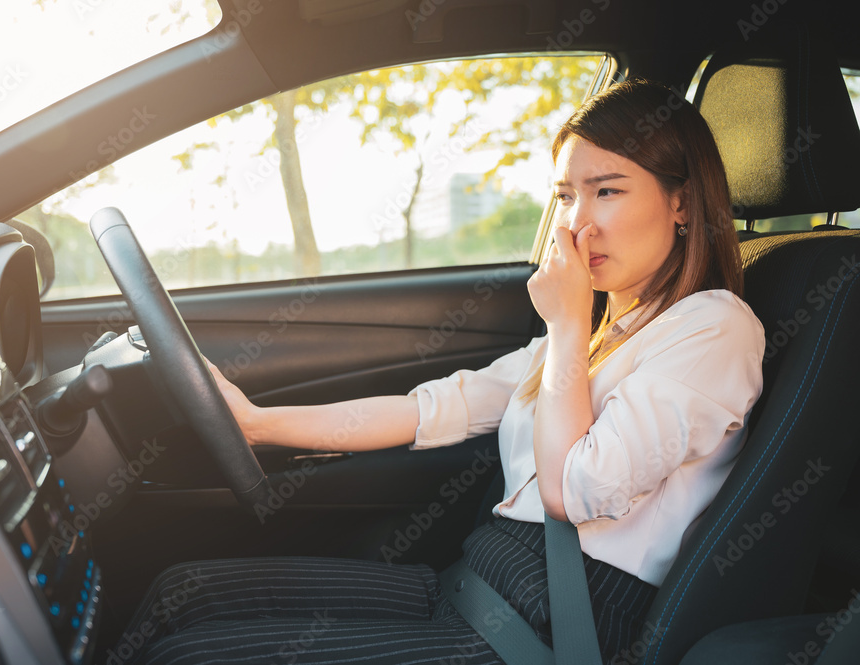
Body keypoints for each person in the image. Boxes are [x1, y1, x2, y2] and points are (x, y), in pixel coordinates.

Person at [110, 78, 765, 665]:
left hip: (548, 629)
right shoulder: (599, 337)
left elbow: (576, 490)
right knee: (181, 592)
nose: (576, 224)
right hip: (472, 585)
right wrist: (257, 423)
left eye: (607, 191)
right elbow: (431, 407)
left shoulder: (714, 325)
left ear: (682, 203)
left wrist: (567, 324)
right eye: (565, 195)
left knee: (188, 655)